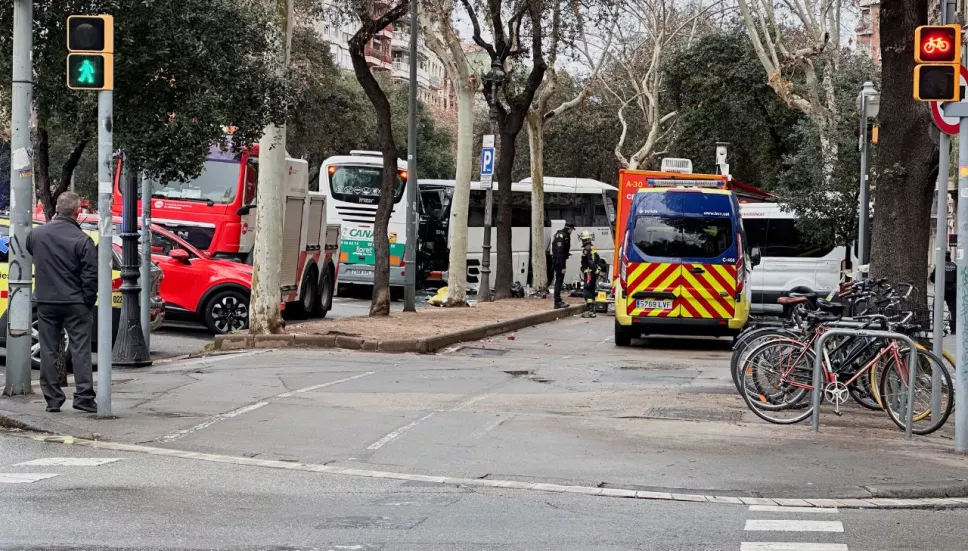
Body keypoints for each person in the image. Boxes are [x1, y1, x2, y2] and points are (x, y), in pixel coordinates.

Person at [25, 192, 98, 413]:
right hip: (75, 301)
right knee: (80, 349)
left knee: (48, 350)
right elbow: (91, 276)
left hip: (46, 301)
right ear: (77, 212)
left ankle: (53, 399)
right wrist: (87, 301)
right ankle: (84, 397)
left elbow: (32, 252)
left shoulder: (36, 234)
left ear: (57, 208)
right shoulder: (82, 240)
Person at [932, 251, 957, 334]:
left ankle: (936, 327)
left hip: (940, 290)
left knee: (937, 308)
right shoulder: (955, 266)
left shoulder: (939, 265)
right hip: (952, 291)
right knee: (953, 310)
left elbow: (932, 278)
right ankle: (953, 329)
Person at [550, 223, 575, 309]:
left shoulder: (562, 235)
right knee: (559, 281)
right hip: (559, 262)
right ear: (569, 229)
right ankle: (557, 302)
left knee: (559, 281)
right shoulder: (562, 236)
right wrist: (563, 266)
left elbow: (562, 250)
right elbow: (560, 252)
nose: (572, 231)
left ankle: (558, 300)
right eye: (572, 230)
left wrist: (567, 254)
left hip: (558, 260)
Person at [579, 230, 603, 318]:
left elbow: (589, 261)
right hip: (593, 272)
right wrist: (597, 269)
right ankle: (592, 310)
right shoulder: (593, 247)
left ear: (584, 240)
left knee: (587, 291)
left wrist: (592, 269)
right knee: (592, 290)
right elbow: (598, 259)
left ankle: (590, 311)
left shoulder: (586, 249)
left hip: (589, 272)